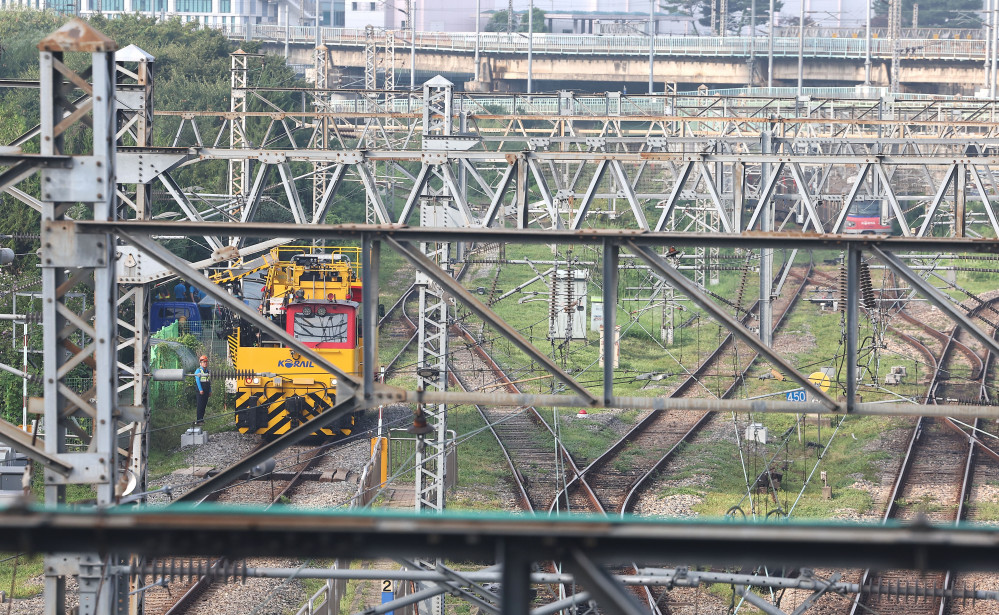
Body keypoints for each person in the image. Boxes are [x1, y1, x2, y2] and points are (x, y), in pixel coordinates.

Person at [194, 355, 211, 426]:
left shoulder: (207, 371)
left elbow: (209, 381)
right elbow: (198, 381)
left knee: (204, 405)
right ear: (200, 363)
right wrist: (200, 390)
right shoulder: (198, 371)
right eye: (203, 362)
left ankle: (202, 419)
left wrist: (210, 390)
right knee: (200, 405)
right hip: (200, 391)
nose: (205, 363)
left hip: (206, 390)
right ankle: (199, 420)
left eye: (206, 362)